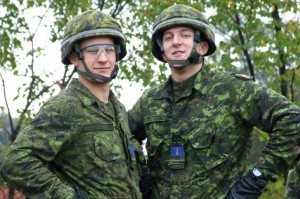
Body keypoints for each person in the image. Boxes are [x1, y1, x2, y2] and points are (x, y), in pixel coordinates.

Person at [128, 4, 300, 199]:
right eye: (168, 37)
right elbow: (122, 135)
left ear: (202, 46)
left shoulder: (232, 90)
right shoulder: (151, 100)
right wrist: (143, 175)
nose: (175, 42)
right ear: (162, 50)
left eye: (184, 35)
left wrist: (254, 181)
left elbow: (293, 121)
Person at [0, 10, 144, 198]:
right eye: (93, 51)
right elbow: (15, 162)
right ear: (74, 57)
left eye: (109, 50)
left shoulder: (118, 109)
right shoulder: (66, 107)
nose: (103, 58)